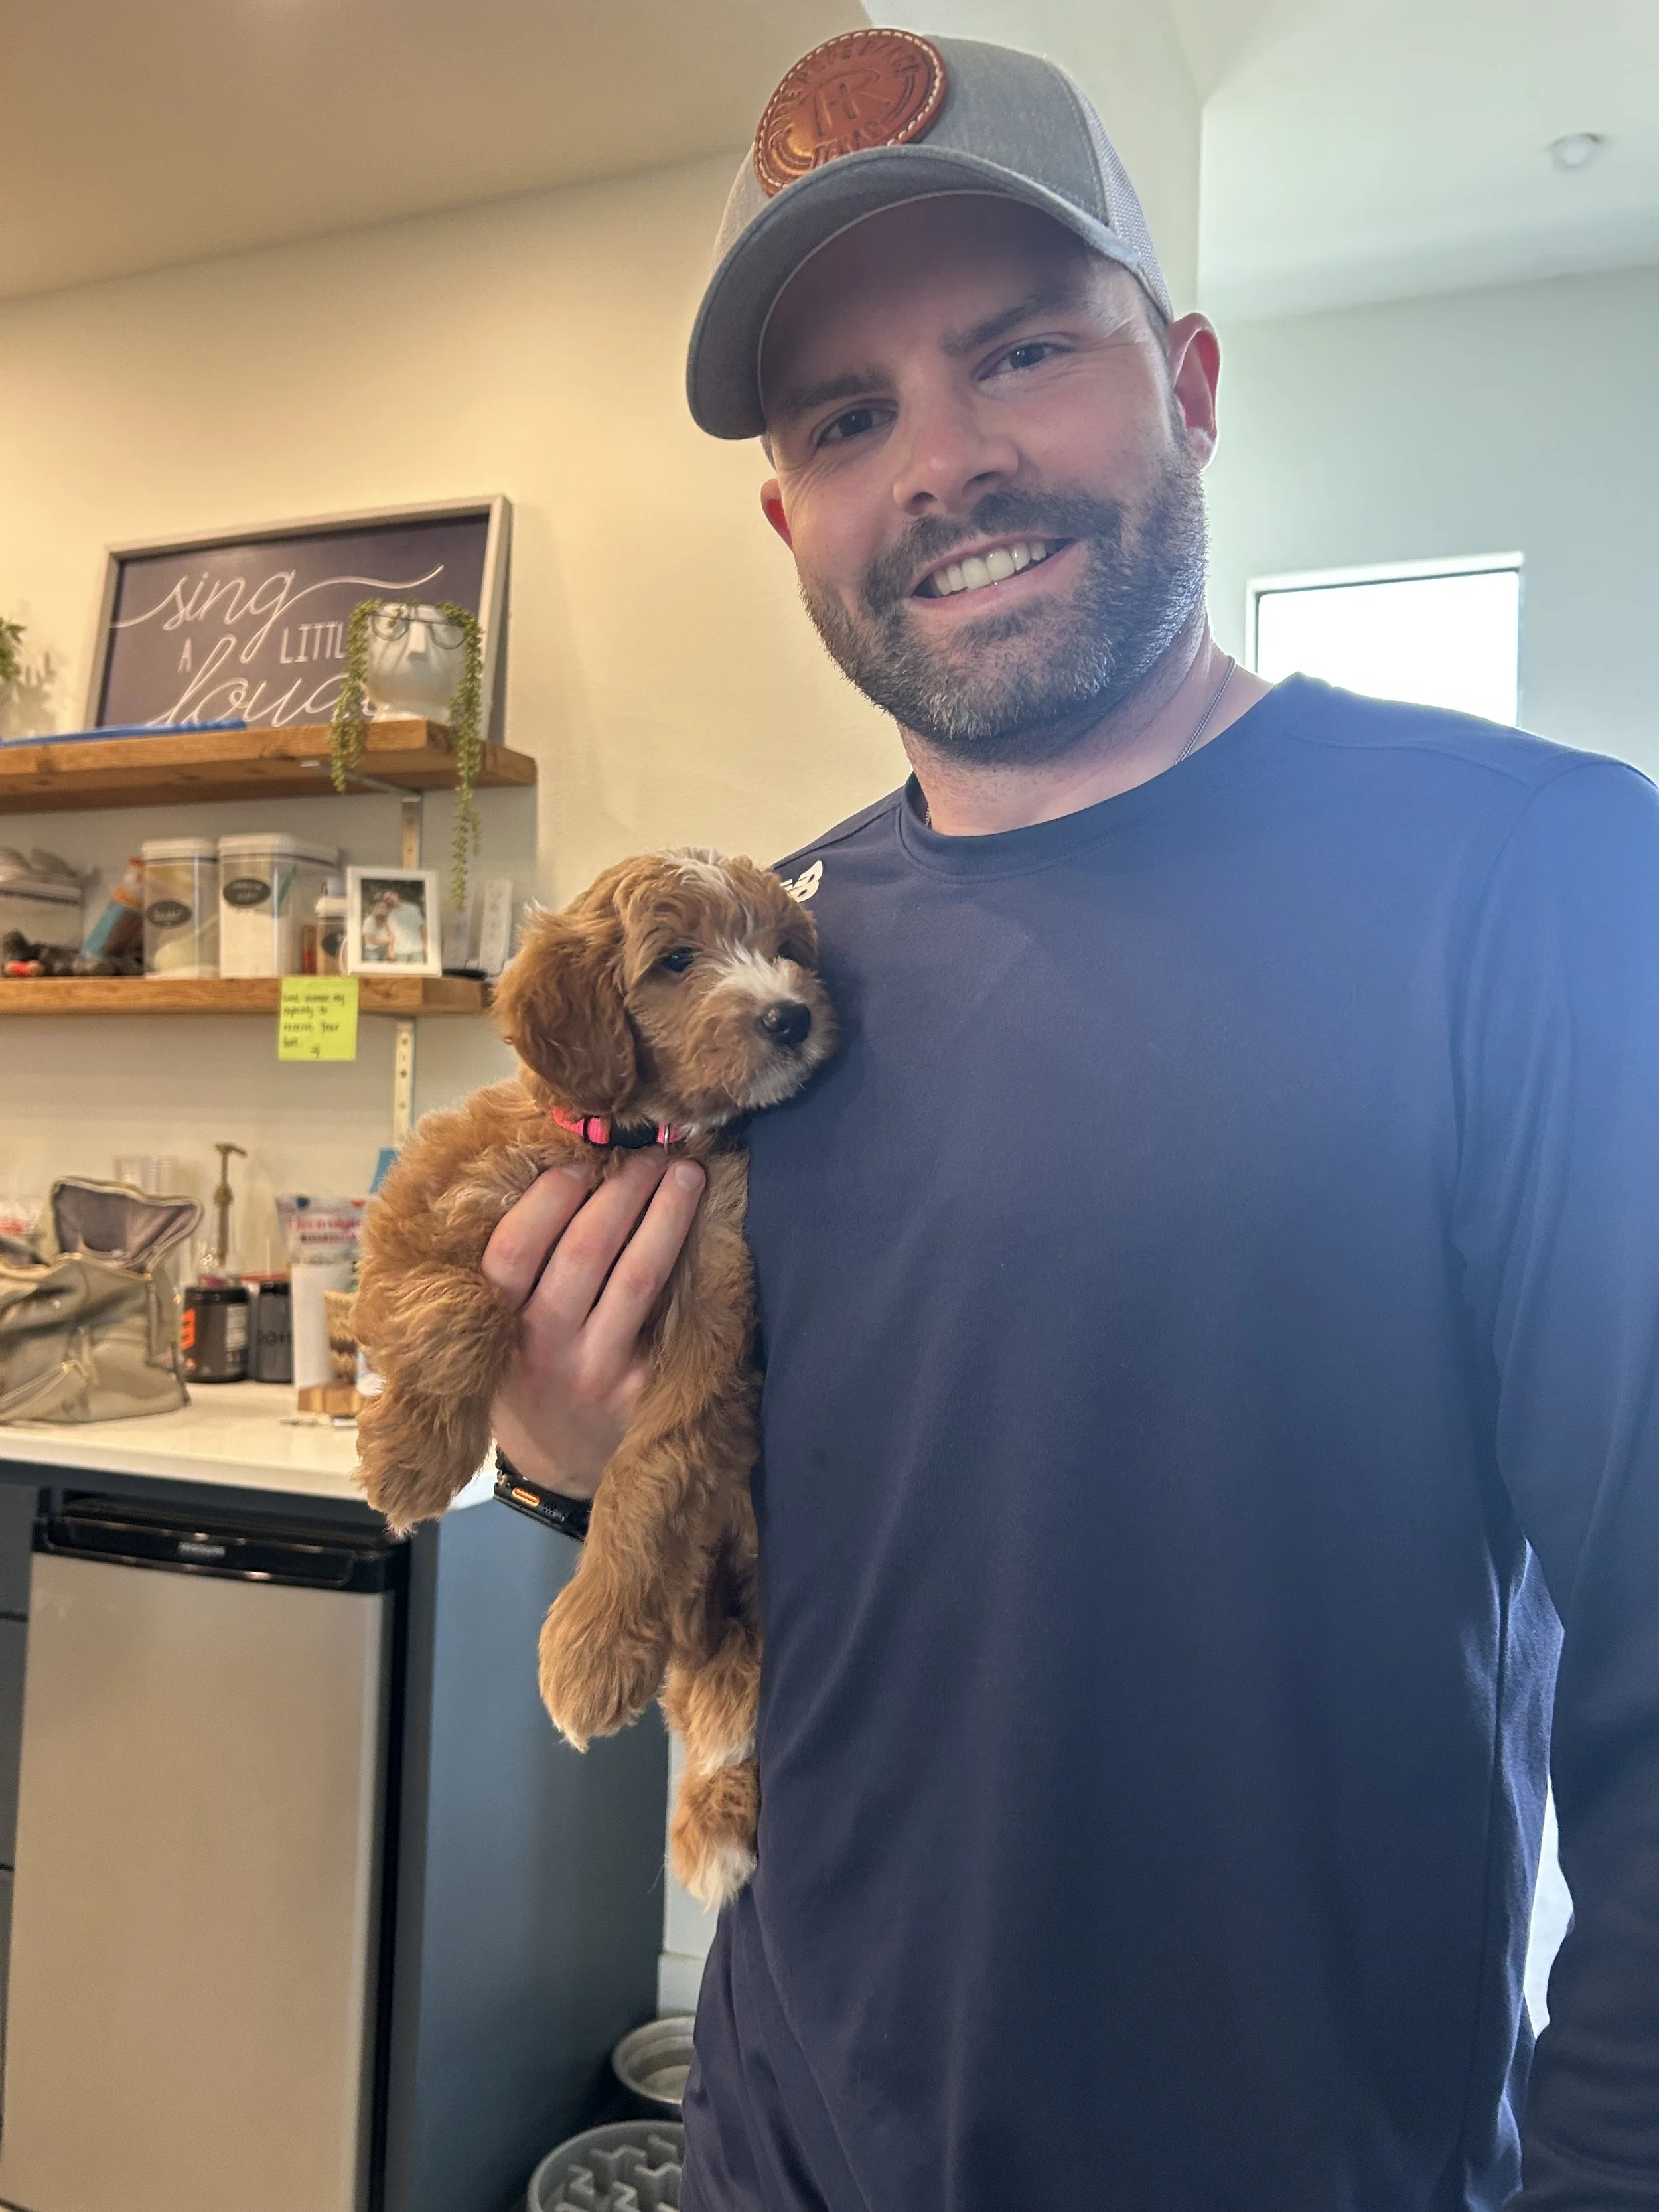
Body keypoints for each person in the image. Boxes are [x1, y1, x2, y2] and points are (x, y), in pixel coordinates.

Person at [481, 32, 1659, 2211]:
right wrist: (568, 1455)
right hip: (781, 2145)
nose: (937, 460)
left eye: (1017, 351)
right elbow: (801, 1507)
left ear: (1190, 383)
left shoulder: (1538, 881)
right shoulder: (782, 966)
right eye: (846, 418)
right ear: (788, 517)